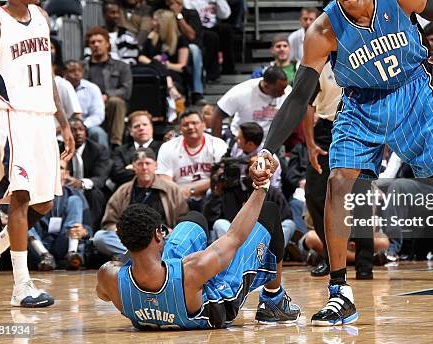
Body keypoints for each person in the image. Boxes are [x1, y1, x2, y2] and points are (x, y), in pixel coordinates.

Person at [251, 0, 433, 324]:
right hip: (361, 103)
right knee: (339, 183)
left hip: (414, 91)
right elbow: (298, 96)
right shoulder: (323, 32)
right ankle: (340, 293)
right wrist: (268, 149)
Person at [95, 154, 302, 328]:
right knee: (269, 211)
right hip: (213, 303)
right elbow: (235, 236)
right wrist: (261, 185)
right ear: (159, 235)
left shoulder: (108, 276)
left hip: (169, 285)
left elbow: (104, 295)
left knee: (194, 219)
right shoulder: (194, 269)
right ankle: (273, 301)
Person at [0, 0, 75, 307]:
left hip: (42, 117)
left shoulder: (42, 18)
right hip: (9, 116)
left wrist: (63, 121)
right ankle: (22, 287)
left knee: (44, 202)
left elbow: (47, 74)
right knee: (20, 197)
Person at [94, 148, 189, 260]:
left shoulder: (172, 189)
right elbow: (109, 222)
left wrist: (171, 231)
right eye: (140, 164)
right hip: (131, 240)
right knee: (100, 237)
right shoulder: (123, 191)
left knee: (178, 239)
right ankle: (142, 258)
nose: (144, 168)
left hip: (162, 238)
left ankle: (136, 259)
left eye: (148, 163)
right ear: (133, 167)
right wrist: (122, 231)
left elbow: (183, 219)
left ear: (156, 165)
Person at [156, 110, 228, 211]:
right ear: (180, 128)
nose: (190, 127)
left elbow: (221, 177)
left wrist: (191, 190)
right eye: (185, 124)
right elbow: (163, 179)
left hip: (211, 194)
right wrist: (179, 191)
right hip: (179, 196)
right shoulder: (168, 147)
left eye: (194, 123)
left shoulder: (217, 144)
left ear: (203, 124)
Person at [28, 160, 92, 271]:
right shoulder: (33, 194)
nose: (56, 170)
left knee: (75, 200)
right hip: (40, 245)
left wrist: (84, 231)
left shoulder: (75, 194)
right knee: (22, 221)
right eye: (53, 166)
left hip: (65, 241)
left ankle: (72, 253)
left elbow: (89, 227)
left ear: (66, 174)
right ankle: (45, 257)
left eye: (61, 168)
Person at [84, 27, 133, 147]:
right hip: (89, 105)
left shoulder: (121, 66)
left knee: (116, 102)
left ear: (107, 44)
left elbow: (126, 90)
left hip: (110, 104)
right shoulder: (83, 67)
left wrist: (107, 95)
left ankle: (115, 145)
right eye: (92, 42)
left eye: (99, 41)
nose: (96, 45)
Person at [211, 66, 290, 140]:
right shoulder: (242, 91)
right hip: (242, 140)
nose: (283, 93)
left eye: (284, 88)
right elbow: (217, 116)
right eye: (279, 91)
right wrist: (218, 145)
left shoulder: (287, 91)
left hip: (270, 142)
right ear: (266, 86)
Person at [110, 111, 163, 190]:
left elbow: (163, 172)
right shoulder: (120, 151)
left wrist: (134, 168)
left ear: (152, 127)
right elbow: (116, 175)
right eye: (136, 126)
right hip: (127, 193)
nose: (141, 128)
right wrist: (149, 170)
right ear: (130, 131)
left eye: (145, 124)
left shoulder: (163, 147)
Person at [65, 60, 109, 149]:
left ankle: (105, 161)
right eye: (72, 71)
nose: (77, 73)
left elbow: (98, 115)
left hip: (86, 125)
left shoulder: (92, 88)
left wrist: (82, 126)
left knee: (98, 133)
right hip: (64, 125)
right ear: (64, 72)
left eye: (79, 70)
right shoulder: (58, 87)